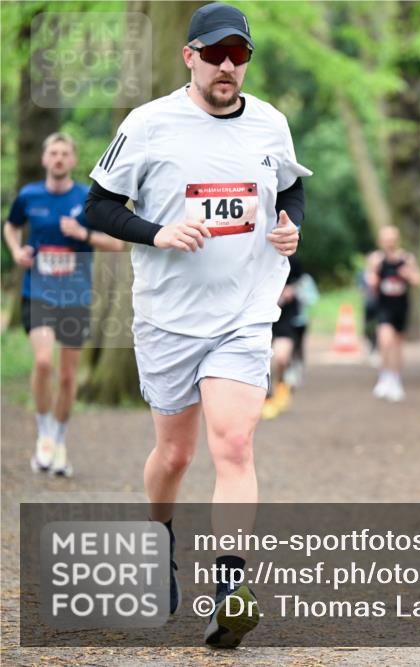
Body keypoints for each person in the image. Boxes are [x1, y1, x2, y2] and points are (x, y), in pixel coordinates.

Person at [84, 2, 308, 648]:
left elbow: (290, 186)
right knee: (175, 454)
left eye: (239, 56)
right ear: (190, 57)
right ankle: (158, 537)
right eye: (215, 54)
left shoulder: (270, 124)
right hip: (169, 319)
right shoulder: (149, 125)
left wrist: (291, 224)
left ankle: (230, 591)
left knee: (234, 444)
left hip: (243, 314)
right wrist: (157, 231)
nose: (228, 67)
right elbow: (99, 206)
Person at [3, 133, 124, 477]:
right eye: (52, 153)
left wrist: (83, 234)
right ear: (44, 160)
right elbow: (11, 228)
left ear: (72, 161)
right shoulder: (29, 196)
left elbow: (117, 243)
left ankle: (58, 439)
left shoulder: (86, 200)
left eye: (64, 154)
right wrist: (16, 252)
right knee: (43, 362)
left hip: (75, 296)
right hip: (37, 291)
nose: (58, 158)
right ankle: (43, 433)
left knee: (68, 376)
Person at [366, 225, 420, 402]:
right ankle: (384, 377)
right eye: (385, 238)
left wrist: (408, 274)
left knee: (397, 345)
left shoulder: (407, 258)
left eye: (392, 238)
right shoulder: (376, 259)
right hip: (384, 307)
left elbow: (418, 280)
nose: (389, 241)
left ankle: (396, 380)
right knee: (384, 341)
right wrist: (373, 277)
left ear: (397, 239)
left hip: (401, 307)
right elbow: (369, 281)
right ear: (380, 240)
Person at [262, 254, 303, 419]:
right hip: (259, 317)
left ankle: (281, 385)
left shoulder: (291, 258)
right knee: (260, 360)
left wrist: (290, 290)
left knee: (280, 357)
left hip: (285, 317)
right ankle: (266, 397)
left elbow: (301, 281)